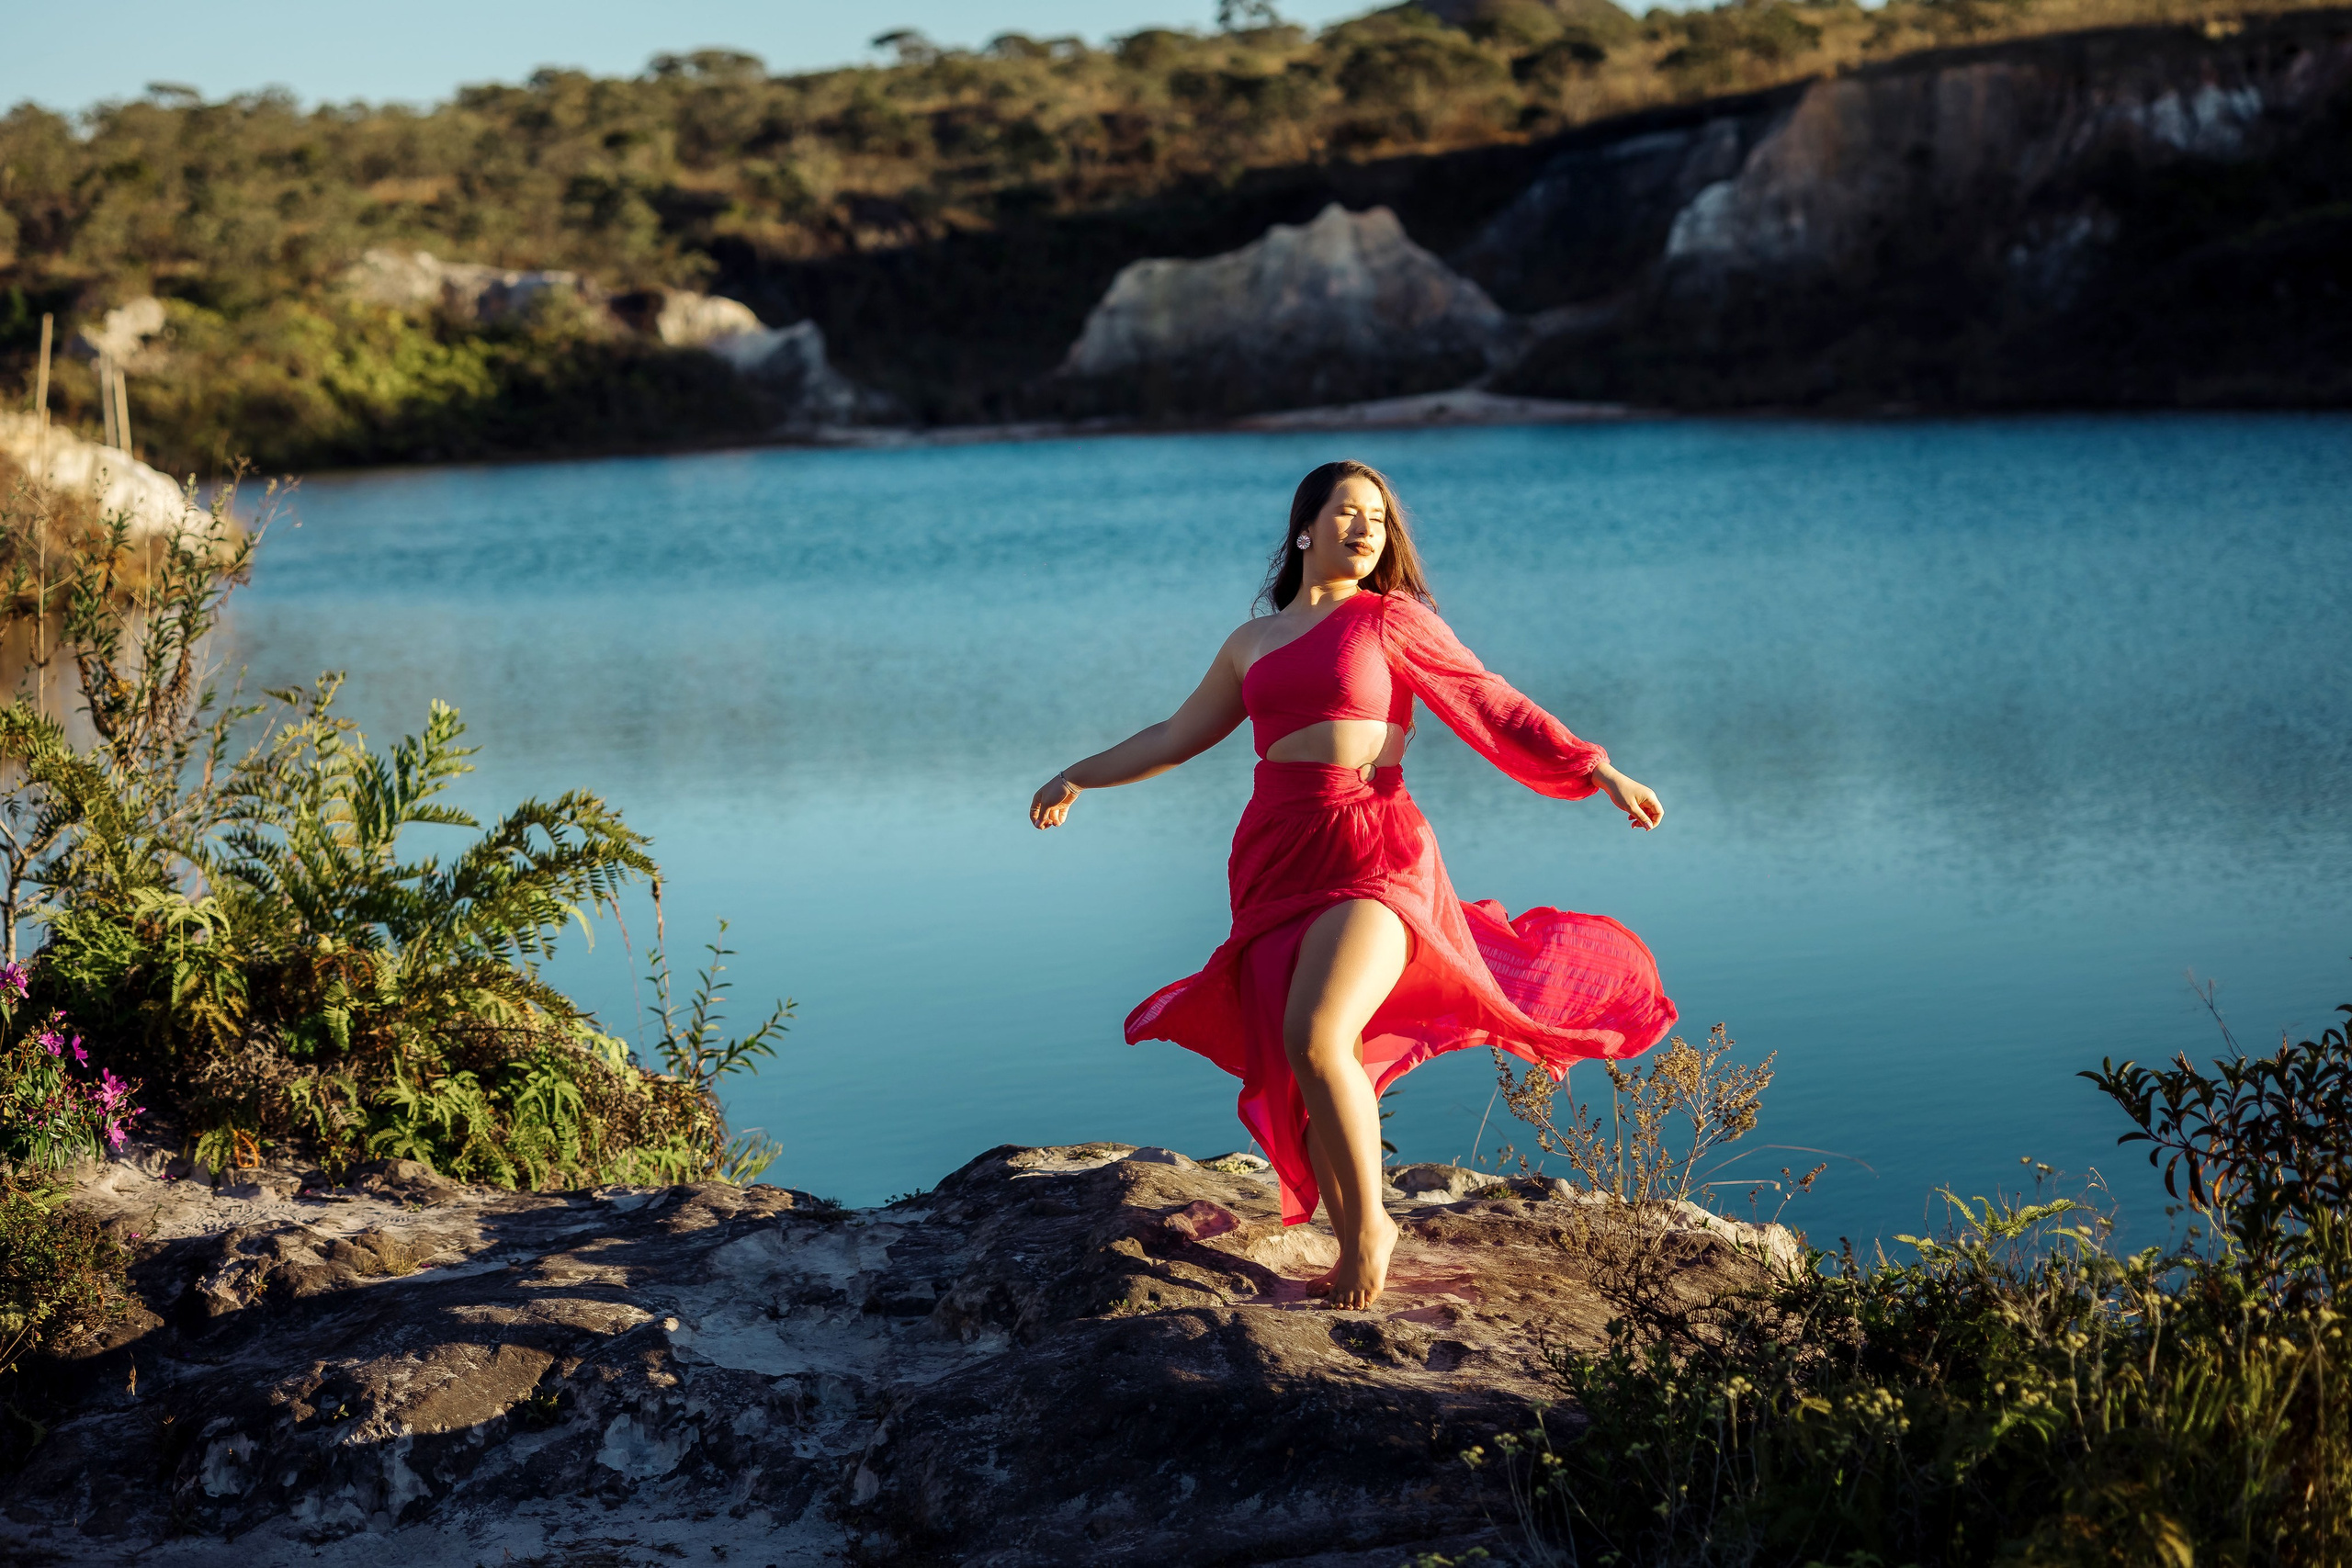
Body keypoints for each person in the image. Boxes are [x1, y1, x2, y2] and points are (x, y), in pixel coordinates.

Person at [1029, 460, 1675, 1308]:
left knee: (1319, 1029)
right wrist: (1078, 775)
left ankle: (1372, 1229)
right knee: (1301, 1057)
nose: (1366, 528)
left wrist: (1598, 768)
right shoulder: (1251, 642)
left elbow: (1493, 701)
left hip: (1378, 847)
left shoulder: (1394, 619)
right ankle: (1349, 1234)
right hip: (1276, 855)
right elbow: (1178, 734)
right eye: (1348, 512)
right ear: (1305, 529)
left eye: (1378, 517)